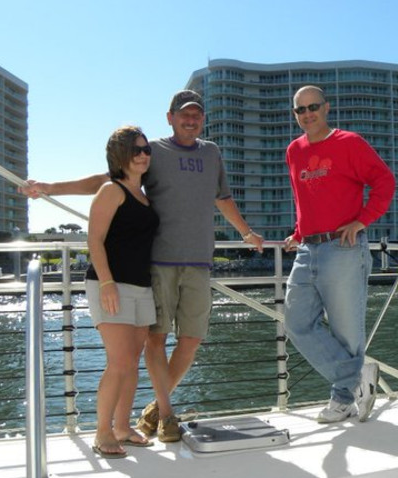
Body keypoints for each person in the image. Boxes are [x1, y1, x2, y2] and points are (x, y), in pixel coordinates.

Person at [20, 90, 264, 442]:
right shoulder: (154, 152)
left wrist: (246, 233)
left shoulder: (211, 153)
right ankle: (164, 414)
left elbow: (222, 198)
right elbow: (105, 180)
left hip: (199, 261)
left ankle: (149, 411)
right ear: (170, 117)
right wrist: (49, 188)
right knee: (155, 340)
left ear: (203, 119)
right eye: (184, 114)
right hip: (158, 262)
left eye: (197, 114)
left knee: (191, 340)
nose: (191, 120)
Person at [283, 86, 395, 423]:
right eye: (300, 110)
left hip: (344, 248)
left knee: (347, 331)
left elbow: (384, 182)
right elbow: (306, 200)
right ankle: (354, 376)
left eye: (312, 107)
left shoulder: (350, 143)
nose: (307, 114)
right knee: (296, 321)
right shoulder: (294, 150)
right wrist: (299, 231)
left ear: (326, 108)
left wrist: (362, 221)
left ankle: (343, 398)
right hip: (307, 248)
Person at [86, 126, 159, 458]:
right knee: (118, 362)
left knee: (131, 363)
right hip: (111, 285)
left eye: (145, 149)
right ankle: (102, 433)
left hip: (142, 286)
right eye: (135, 150)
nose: (143, 154)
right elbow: (94, 240)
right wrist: (106, 283)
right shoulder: (110, 190)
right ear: (120, 155)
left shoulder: (144, 194)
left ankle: (122, 427)